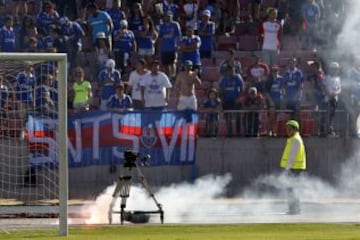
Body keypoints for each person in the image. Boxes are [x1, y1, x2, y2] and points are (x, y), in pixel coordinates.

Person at [280, 119, 306, 215]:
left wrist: (287, 169)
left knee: (292, 189)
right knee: (293, 188)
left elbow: (292, 156)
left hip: (294, 168)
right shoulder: (294, 139)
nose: (287, 130)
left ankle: (294, 209)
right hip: (296, 168)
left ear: (294, 129)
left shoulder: (295, 140)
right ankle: (295, 209)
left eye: (289, 128)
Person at [158, 11, 182, 79]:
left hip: (173, 47)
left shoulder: (175, 24)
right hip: (164, 48)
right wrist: (159, 48)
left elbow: (178, 36)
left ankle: (173, 75)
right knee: (166, 64)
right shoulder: (162, 25)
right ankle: (168, 77)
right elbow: (160, 37)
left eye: (169, 16)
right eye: (166, 16)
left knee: (173, 62)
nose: (168, 18)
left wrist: (178, 45)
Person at [320, 61, 341, 137]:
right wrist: (328, 93)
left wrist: (335, 93)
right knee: (325, 115)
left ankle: (330, 130)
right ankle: (324, 131)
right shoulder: (327, 77)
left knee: (331, 116)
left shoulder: (338, 79)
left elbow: (339, 89)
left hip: (334, 99)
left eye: (336, 69)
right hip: (327, 99)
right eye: (333, 69)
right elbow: (323, 86)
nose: (335, 70)